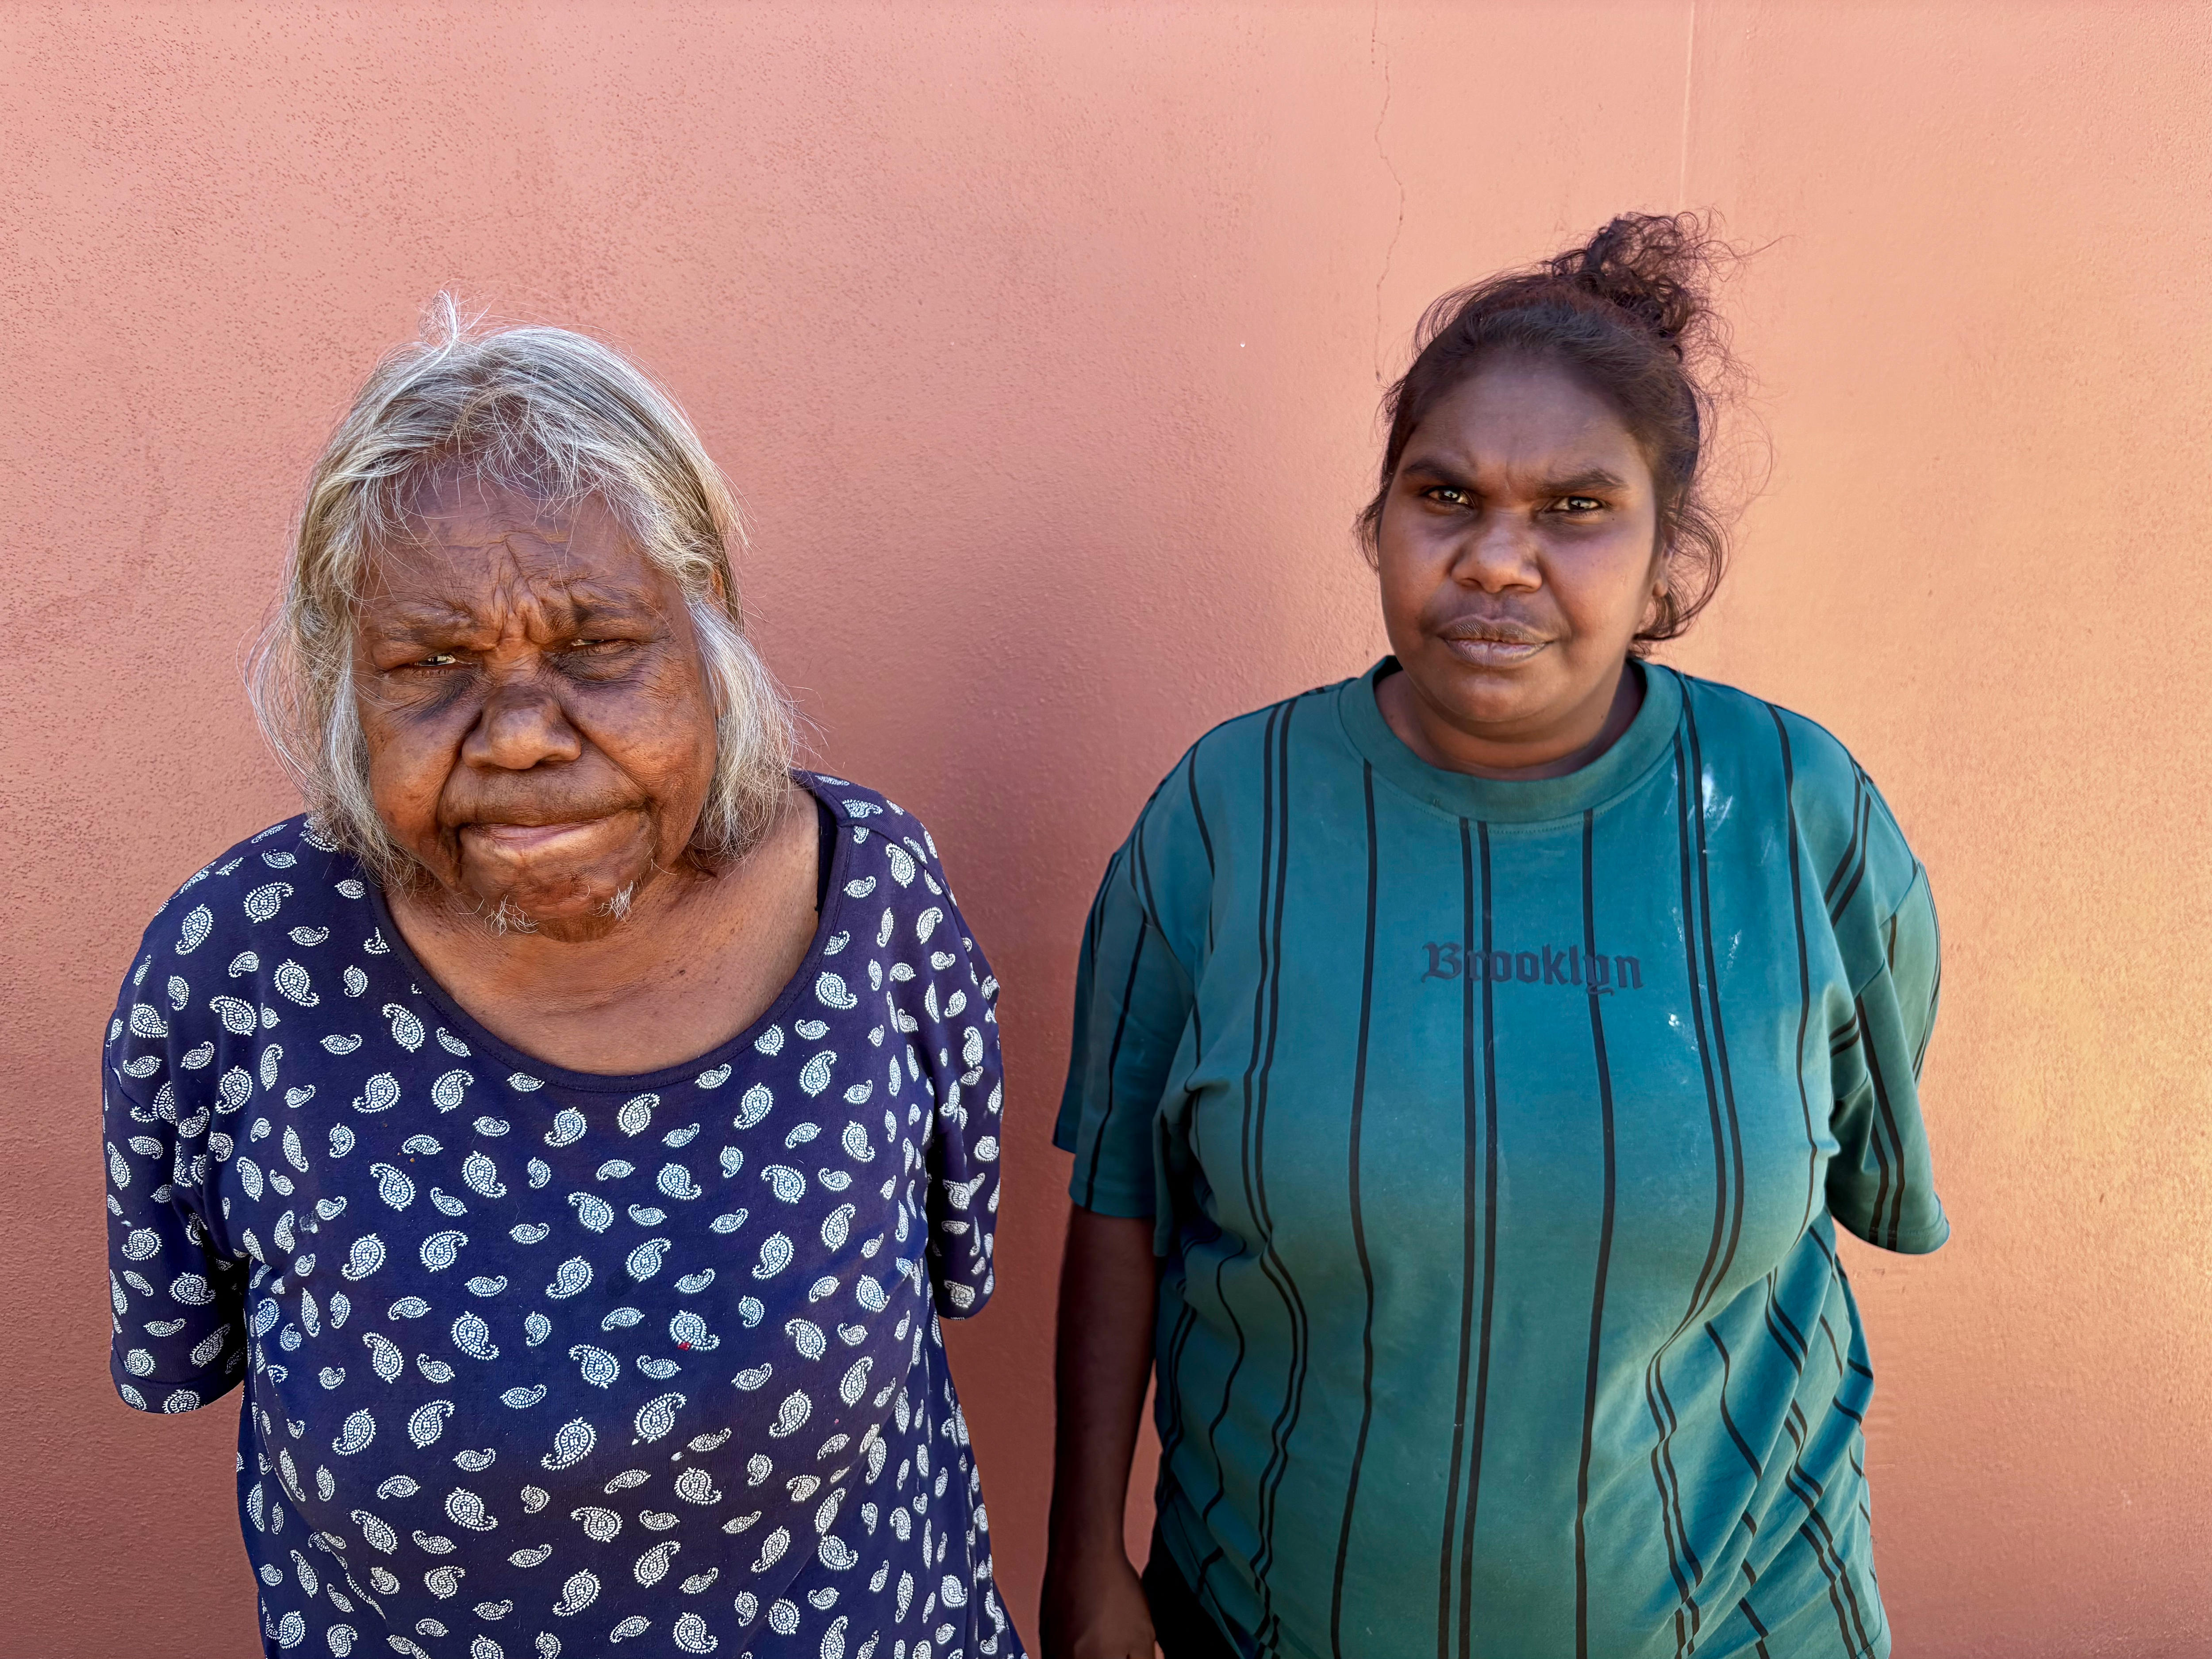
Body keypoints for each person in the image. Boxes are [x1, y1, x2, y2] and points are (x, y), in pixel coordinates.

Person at [1043, 215, 1946, 1659]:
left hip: (1747, 1625)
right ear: (1379, 524)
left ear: (1668, 561)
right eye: (1445, 495)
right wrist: (1084, 1559)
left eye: (1579, 508)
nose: (1499, 561)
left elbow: (1857, 1174)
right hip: (1269, 1619)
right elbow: (1122, 1210)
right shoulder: (1226, 819)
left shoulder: (1797, 817)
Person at [100, 307, 1019, 1659]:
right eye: (431, 666)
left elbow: (950, 1261)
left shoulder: (872, 895)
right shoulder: (236, 969)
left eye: (598, 648)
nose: (524, 737)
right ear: (344, 686)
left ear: (713, 645)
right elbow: (188, 1347)